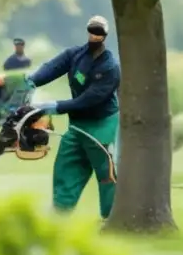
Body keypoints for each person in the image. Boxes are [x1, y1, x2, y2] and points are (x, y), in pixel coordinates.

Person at [25, 15, 121, 219]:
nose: (95, 35)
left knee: (107, 174)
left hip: (102, 126)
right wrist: (31, 81)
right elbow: (52, 68)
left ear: (105, 35)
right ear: (88, 31)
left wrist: (57, 106)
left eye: (99, 31)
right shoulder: (75, 55)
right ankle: (59, 214)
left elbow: (89, 99)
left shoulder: (110, 66)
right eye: (92, 30)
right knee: (66, 166)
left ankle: (110, 219)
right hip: (77, 127)